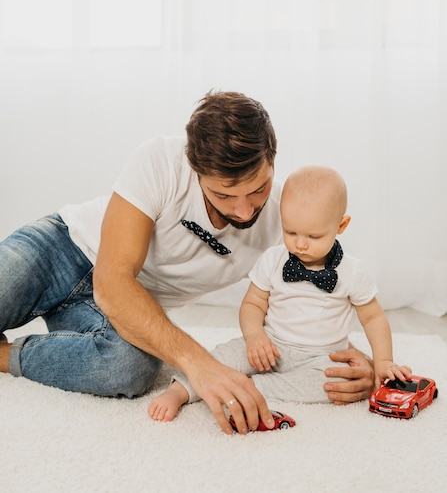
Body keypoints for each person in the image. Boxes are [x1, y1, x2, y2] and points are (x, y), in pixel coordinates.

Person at [0, 92, 374, 435]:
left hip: (123, 309)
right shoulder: (159, 160)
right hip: (64, 248)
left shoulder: (287, 223)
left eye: (258, 189)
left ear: (272, 160)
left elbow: (323, 295)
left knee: (128, 369)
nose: (245, 211)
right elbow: (113, 282)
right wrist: (200, 365)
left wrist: (357, 359)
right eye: (224, 194)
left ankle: (7, 357)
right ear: (195, 168)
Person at [148, 164, 411, 423]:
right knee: (222, 357)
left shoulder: (352, 271)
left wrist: (383, 361)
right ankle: (178, 391)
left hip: (322, 356)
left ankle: (254, 387)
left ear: (341, 225)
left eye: (313, 235)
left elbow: (373, 318)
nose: (299, 243)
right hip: (270, 344)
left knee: (337, 383)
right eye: (290, 231)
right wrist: (254, 336)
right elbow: (252, 304)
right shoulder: (273, 259)